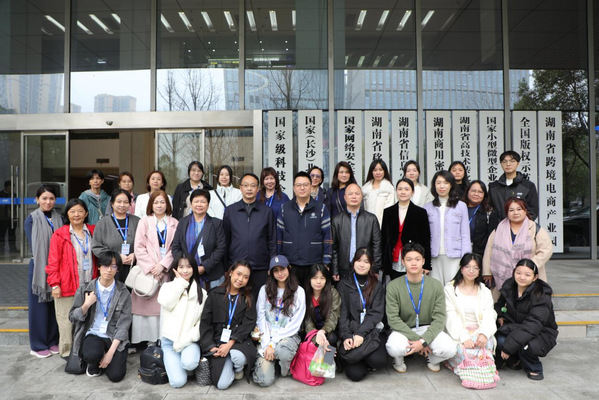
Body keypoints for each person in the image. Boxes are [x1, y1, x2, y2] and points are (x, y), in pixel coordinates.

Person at [385, 243, 456, 373]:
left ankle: (433, 359)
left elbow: (439, 318)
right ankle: (398, 360)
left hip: (427, 327)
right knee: (393, 347)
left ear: (423, 261)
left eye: (417, 259)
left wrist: (424, 339)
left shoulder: (436, 285)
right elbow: (393, 319)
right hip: (404, 329)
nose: (413, 263)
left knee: (450, 348)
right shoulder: (393, 286)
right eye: (409, 259)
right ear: (403, 262)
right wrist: (420, 341)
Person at [69, 252, 132, 381]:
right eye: (105, 265)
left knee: (116, 376)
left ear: (117, 269)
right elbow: (72, 317)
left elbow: (123, 326)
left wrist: (110, 354)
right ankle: (93, 363)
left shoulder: (124, 292)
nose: (109, 270)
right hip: (93, 333)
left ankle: (105, 356)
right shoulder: (85, 289)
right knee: (92, 354)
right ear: (98, 267)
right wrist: (86, 305)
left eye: (113, 266)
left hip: (113, 336)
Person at [46, 198, 97, 358]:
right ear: (67, 214)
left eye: (80, 211)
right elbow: (53, 261)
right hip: (66, 285)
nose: (76, 215)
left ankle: (84, 351)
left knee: (88, 320)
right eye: (72, 211)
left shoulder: (93, 231)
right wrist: (55, 284)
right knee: (66, 321)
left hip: (89, 284)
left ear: (86, 213)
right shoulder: (60, 234)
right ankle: (68, 354)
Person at [494, 259, 558, 380]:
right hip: (515, 327)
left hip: (540, 332)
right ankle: (515, 360)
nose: (522, 277)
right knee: (499, 339)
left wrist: (509, 347)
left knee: (527, 346)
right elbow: (499, 305)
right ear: (514, 272)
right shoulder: (509, 286)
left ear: (535, 277)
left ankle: (534, 367)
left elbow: (532, 325)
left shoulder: (541, 294)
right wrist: (500, 316)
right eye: (518, 273)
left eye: (527, 275)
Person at [200, 260, 257, 390]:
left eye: (245, 277)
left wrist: (230, 343)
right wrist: (210, 346)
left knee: (238, 357)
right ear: (231, 272)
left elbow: (248, 324)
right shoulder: (214, 294)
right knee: (222, 385)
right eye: (238, 274)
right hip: (218, 344)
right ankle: (228, 365)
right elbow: (205, 323)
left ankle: (238, 369)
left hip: (239, 342)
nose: (240, 279)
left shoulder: (248, 298)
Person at [132, 190, 178, 347]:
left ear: (167, 204)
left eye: (162, 202)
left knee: (163, 307)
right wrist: (153, 268)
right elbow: (139, 247)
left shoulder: (174, 222)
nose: (159, 205)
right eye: (156, 202)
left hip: (165, 271)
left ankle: (162, 341)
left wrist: (162, 265)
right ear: (151, 204)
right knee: (147, 308)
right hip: (148, 273)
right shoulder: (144, 222)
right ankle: (149, 343)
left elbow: (175, 247)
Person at [483, 197, 553, 299]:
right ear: (507, 213)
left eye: (519, 209)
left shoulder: (535, 229)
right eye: (511, 210)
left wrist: (529, 266)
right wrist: (487, 272)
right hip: (502, 277)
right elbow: (489, 250)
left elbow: (546, 250)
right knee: (503, 303)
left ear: (525, 211)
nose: (515, 213)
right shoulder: (499, 229)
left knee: (529, 303)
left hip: (530, 277)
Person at [253, 255, 306, 387]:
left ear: (289, 268)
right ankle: (273, 365)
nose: (280, 273)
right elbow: (260, 318)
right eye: (275, 270)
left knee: (283, 352)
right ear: (270, 273)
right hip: (266, 336)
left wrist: (273, 344)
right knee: (264, 381)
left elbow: (295, 324)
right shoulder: (264, 290)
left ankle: (284, 367)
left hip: (288, 336)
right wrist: (266, 344)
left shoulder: (299, 292)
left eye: (282, 269)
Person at [444, 253, 498, 381]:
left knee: (483, 346)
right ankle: (470, 372)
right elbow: (450, 315)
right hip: (459, 332)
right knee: (465, 350)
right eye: (467, 267)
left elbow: (489, 313)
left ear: (479, 271)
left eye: (475, 268)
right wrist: (464, 337)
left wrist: (484, 333)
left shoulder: (484, 291)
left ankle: (482, 374)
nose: (471, 271)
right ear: (461, 268)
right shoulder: (450, 289)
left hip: (480, 330)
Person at [337, 248, 386, 382]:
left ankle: (362, 357)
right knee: (355, 375)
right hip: (351, 332)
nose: (362, 264)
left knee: (378, 360)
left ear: (371, 264)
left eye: (366, 261)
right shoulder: (344, 284)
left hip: (371, 332)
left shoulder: (377, 285)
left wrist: (361, 333)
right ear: (353, 262)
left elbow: (376, 313)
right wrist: (347, 336)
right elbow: (342, 314)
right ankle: (360, 357)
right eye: (359, 260)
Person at [223, 173, 276, 297]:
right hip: (237, 266)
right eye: (246, 185)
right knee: (237, 300)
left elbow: (272, 240)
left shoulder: (267, 211)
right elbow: (225, 240)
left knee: (259, 300)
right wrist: (226, 267)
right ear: (240, 188)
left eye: (253, 186)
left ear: (258, 189)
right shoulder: (231, 211)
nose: (249, 189)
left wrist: (272, 265)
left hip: (260, 267)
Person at [158, 255, 207, 388]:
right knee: (177, 382)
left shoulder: (202, 293)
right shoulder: (167, 287)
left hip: (189, 341)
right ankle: (175, 364)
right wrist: (180, 283)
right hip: (170, 343)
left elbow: (201, 322)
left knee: (189, 363)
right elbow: (167, 304)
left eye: (189, 267)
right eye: (181, 267)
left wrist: (190, 338)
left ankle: (187, 363)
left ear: (194, 269)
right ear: (175, 269)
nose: (185, 270)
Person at [277, 171, 332, 287]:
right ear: (294, 188)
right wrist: (280, 260)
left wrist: (326, 261)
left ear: (311, 186)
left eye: (305, 185)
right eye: (298, 185)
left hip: (314, 263)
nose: (302, 188)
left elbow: (327, 237)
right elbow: (279, 237)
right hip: (290, 263)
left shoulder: (321, 208)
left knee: (312, 295)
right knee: (292, 294)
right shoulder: (284, 208)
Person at [26, 186, 62, 358]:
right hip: (40, 268)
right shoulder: (31, 219)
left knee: (54, 305)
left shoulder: (59, 218)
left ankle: (53, 340)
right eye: (44, 198)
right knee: (39, 307)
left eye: (51, 198)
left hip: (57, 267)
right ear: (37, 199)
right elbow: (35, 247)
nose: (48, 202)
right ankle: (38, 345)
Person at [172, 189, 226, 289]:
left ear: (208, 205)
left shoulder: (216, 223)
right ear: (191, 204)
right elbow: (176, 246)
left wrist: (205, 266)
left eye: (203, 201)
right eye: (196, 201)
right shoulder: (183, 222)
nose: (199, 204)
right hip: (186, 275)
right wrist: (185, 267)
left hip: (212, 276)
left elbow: (221, 248)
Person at [424, 171, 471, 285]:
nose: (442, 186)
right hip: (434, 256)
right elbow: (424, 236)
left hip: (455, 256)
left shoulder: (461, 206)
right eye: (438, 183)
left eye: (445, 183)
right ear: (434, 186)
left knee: (453, 287)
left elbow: (465, 234)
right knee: (436, 288)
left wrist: (466, 258)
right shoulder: (427, 207)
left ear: (451, 185)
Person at [381, 178, 431, 281]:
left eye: (406, 189)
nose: (403, 192)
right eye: (400, 189)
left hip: (413, 257)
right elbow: (384, 239)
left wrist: (426, 264)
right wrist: (382, 263)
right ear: (396, 191)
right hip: (393, 258)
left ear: (412, 192)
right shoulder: (388, 212)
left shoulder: (420, 212)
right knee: (395, 285)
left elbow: (425, 240)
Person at [331, 183, 382, 281]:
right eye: (350, 194)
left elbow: (377, 246)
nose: (354, 196)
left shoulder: (371, 219)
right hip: (343, 269)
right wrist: (335, 270)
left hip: (366, 268)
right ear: (345, 197)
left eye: (357, 194)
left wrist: (375, 268)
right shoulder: (337, 220)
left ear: (361, 197)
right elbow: (334, 248)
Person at [92, 189, 140, 283]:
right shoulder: (102, 223)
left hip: (134, 268)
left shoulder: (137, 221)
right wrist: (116, 257)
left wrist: (136, 255)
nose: (122, 205)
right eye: (119, 201)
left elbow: (146, 244)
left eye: (126, 202)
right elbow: (96, 247)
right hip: (110, 268)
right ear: (112, 203)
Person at [488, 150, 539, 221]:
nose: (508, 164)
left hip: (521, 226)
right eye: (504, 161)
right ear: (501, 164)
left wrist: (520, 224)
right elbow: (488, 207)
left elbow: (533, 211)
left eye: (512, 161)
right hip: (499, 226)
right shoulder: (493, 187)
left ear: (517, 163)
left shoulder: (528, 186)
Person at [303, 263, 341, 348]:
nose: (318, 282)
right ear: (309, 279)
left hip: (328, 331)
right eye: (315, 278)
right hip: (312, 333)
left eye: (322, 278)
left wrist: (323, 332)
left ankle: (329, 356)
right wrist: (317, 338)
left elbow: (333, 317)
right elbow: (307, 322)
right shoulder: (305, 294)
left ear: (326, 279)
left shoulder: (333, 293)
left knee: (332, 338)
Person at [465, 180, 499, 256]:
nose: (476, 194)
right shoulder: (459, 209)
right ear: (467, 192)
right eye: (473, 191)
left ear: (484, 195)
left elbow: (492, 238)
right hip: (460, 253)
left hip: (481, 254)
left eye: (480, 192)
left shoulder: (489, 212)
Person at [362, 159, 396, 226]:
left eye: (380, 170)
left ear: (384, 171)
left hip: (384, 225)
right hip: (367, 225)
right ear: (371, 172)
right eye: (375, 170)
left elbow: (389, 209)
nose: (378, 173)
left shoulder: (389, 188)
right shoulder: (365, 189)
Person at [0, 180, 17, 253]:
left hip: (12, 217)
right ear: (6, 187)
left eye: (12, 187)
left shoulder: (14, 194)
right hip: (2, 217)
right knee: (2, 234)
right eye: (10, 187)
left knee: (12, 234)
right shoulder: (1, 194)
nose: (11, 189)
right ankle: (1, 248)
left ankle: (13, 248)